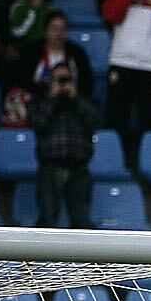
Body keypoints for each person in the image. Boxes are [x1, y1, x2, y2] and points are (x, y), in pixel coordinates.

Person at [30, 61, 100, 230]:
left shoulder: (83, 100)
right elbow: (37, 123)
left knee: (81, 221)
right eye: (57, 79)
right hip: (50, 167)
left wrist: (76, 97)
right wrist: (52, 97)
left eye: (66, 79)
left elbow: (96, 121)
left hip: (79, 168)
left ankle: (82, 257)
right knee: (47, 220)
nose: (62, 83)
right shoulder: (41, 101)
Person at [25, 12, 96, 100]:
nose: (59, 33)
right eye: (55, 29)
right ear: (45, 31)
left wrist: (74, 91)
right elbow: (24, 81)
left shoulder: (77, 52)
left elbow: (87, 82)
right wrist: (48, 91)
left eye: (63, 29)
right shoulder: (33, 51)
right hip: (39, 100)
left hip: (71, 100)